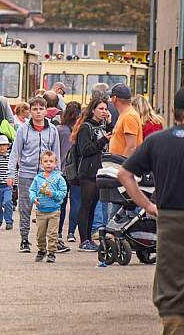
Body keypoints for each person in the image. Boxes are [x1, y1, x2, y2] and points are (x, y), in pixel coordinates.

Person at [118, 87, 184, 335]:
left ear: (173, 112)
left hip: (169, 218)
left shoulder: (158, 141)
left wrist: (147, 205)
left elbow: (124, 173)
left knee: (171, 279)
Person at [7, 96, 61, 253]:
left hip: (46, 175)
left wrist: (57, 174)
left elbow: (56, 152)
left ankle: (46, 239)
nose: (38, 112)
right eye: (35, 109)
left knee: (47, 207)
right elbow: (15, 152)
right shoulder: (23, 130)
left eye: (41, 109)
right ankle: (24, 239)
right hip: (27, 173)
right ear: (30, 111)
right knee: (25, 207)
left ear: (45, 111)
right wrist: (11, 173)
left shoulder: (52, 130)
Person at [71, 97, 112, 251]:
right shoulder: (86, 127)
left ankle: (88, 238)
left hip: (100, 170)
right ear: (93, 110)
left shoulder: (102, 126)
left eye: (106, 109)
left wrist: (109, 123)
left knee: (94, 205)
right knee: (86, 205)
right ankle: (83, 240)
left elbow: (112, 134)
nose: (104, 112)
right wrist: (102, 141)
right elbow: (85, 150)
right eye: (101, 109)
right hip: (87, 172)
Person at [29, 150, 67, 263]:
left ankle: (51, 252)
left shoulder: (59, 178)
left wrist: (53, 194)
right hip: (40, 211)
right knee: (40, 234)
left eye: (51, 161)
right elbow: (32, 190)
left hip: (54, 211)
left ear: (55, 163)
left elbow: (63, 192)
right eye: (46, 161)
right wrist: (33, 198)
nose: (48, 163)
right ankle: (41, 250)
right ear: (41, 163)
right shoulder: (38, 178)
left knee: (52, 233)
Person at [57, 101, 82, 243]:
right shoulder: (79, 131)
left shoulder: (59, 129)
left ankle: (59, 231)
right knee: (76, 202)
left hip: (61, 170)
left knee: (61, 202)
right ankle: (71, 232)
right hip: (76, 170)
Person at [109, 83, 143, 158]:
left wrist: (122, 166)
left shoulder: (129, 117)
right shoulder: (125, 114)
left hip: (122, 165)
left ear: (114, 98)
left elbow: (131, 147)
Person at [0, 135, 14, 230]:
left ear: (8, 146)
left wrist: (15, 184)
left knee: (8, 202)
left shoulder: (11, 157)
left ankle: (9, 221)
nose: (2, 147)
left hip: (8, 185)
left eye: (4, 145)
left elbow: (14, 171)